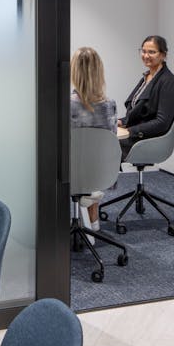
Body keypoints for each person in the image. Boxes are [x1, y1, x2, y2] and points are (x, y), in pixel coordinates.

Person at [70, 47, 116, 231]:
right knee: (92, 157)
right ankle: (93, 219)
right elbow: (109, 142)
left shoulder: (67, 105)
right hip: (101, 172)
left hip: (71, 172)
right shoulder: (109, 105)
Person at [118, 35, 174, 159]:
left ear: (163, 55)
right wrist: (121, 122)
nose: (146, 56)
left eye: (151, 52)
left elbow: (161, 122)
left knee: (107, 147)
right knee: (103, 141)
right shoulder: (147, 77)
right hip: (137, 133)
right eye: (143, 51)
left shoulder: (169, 82)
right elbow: (139, 113)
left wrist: (130, 131)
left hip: (149, 138)